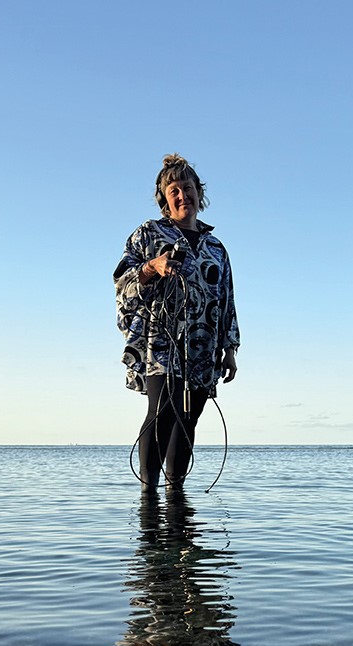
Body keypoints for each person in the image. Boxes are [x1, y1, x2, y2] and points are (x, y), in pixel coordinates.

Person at [115, 154, 239, 492]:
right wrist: (151, 267)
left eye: (188, 187)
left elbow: (226, 299)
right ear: (164, 199)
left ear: (200, 193)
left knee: (189, 418)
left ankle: (176, 493)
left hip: (204, 346)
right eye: (174, 190)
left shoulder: (216, 248)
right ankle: (148, 496)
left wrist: (230, 349)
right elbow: (121, 282)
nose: (183, 195)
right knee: (162, 413)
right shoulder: (148, 234)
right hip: (162, 344)